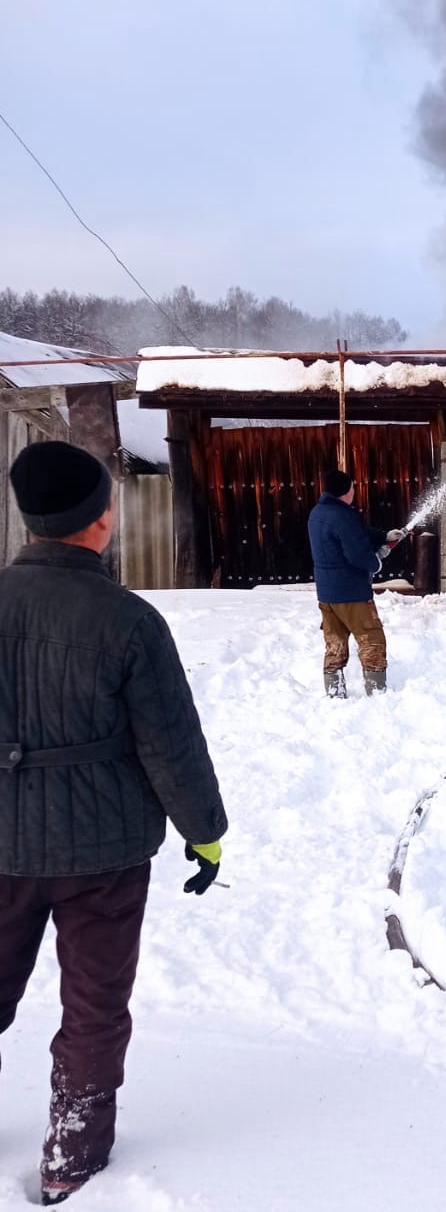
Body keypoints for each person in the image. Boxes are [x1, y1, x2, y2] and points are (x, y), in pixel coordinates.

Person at [0, 440, 228, 1206]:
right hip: (104, 851)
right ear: (99, 522)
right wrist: (205, 832)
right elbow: (170, 741)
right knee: (94, 1007)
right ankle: (72, 1156)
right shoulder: (129, 621)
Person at [307, 468, 404, 697]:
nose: (354, 491)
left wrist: (383, 536)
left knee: (335, 643)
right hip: (351, 593)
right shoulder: (342, 516)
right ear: (345, 492)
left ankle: (334, 694)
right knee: (372, 640)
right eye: (352, 487)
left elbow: (356, 533)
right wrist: (376, 562)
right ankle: (377, 694)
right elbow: (357, 553)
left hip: (328, 594)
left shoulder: (319, 513)